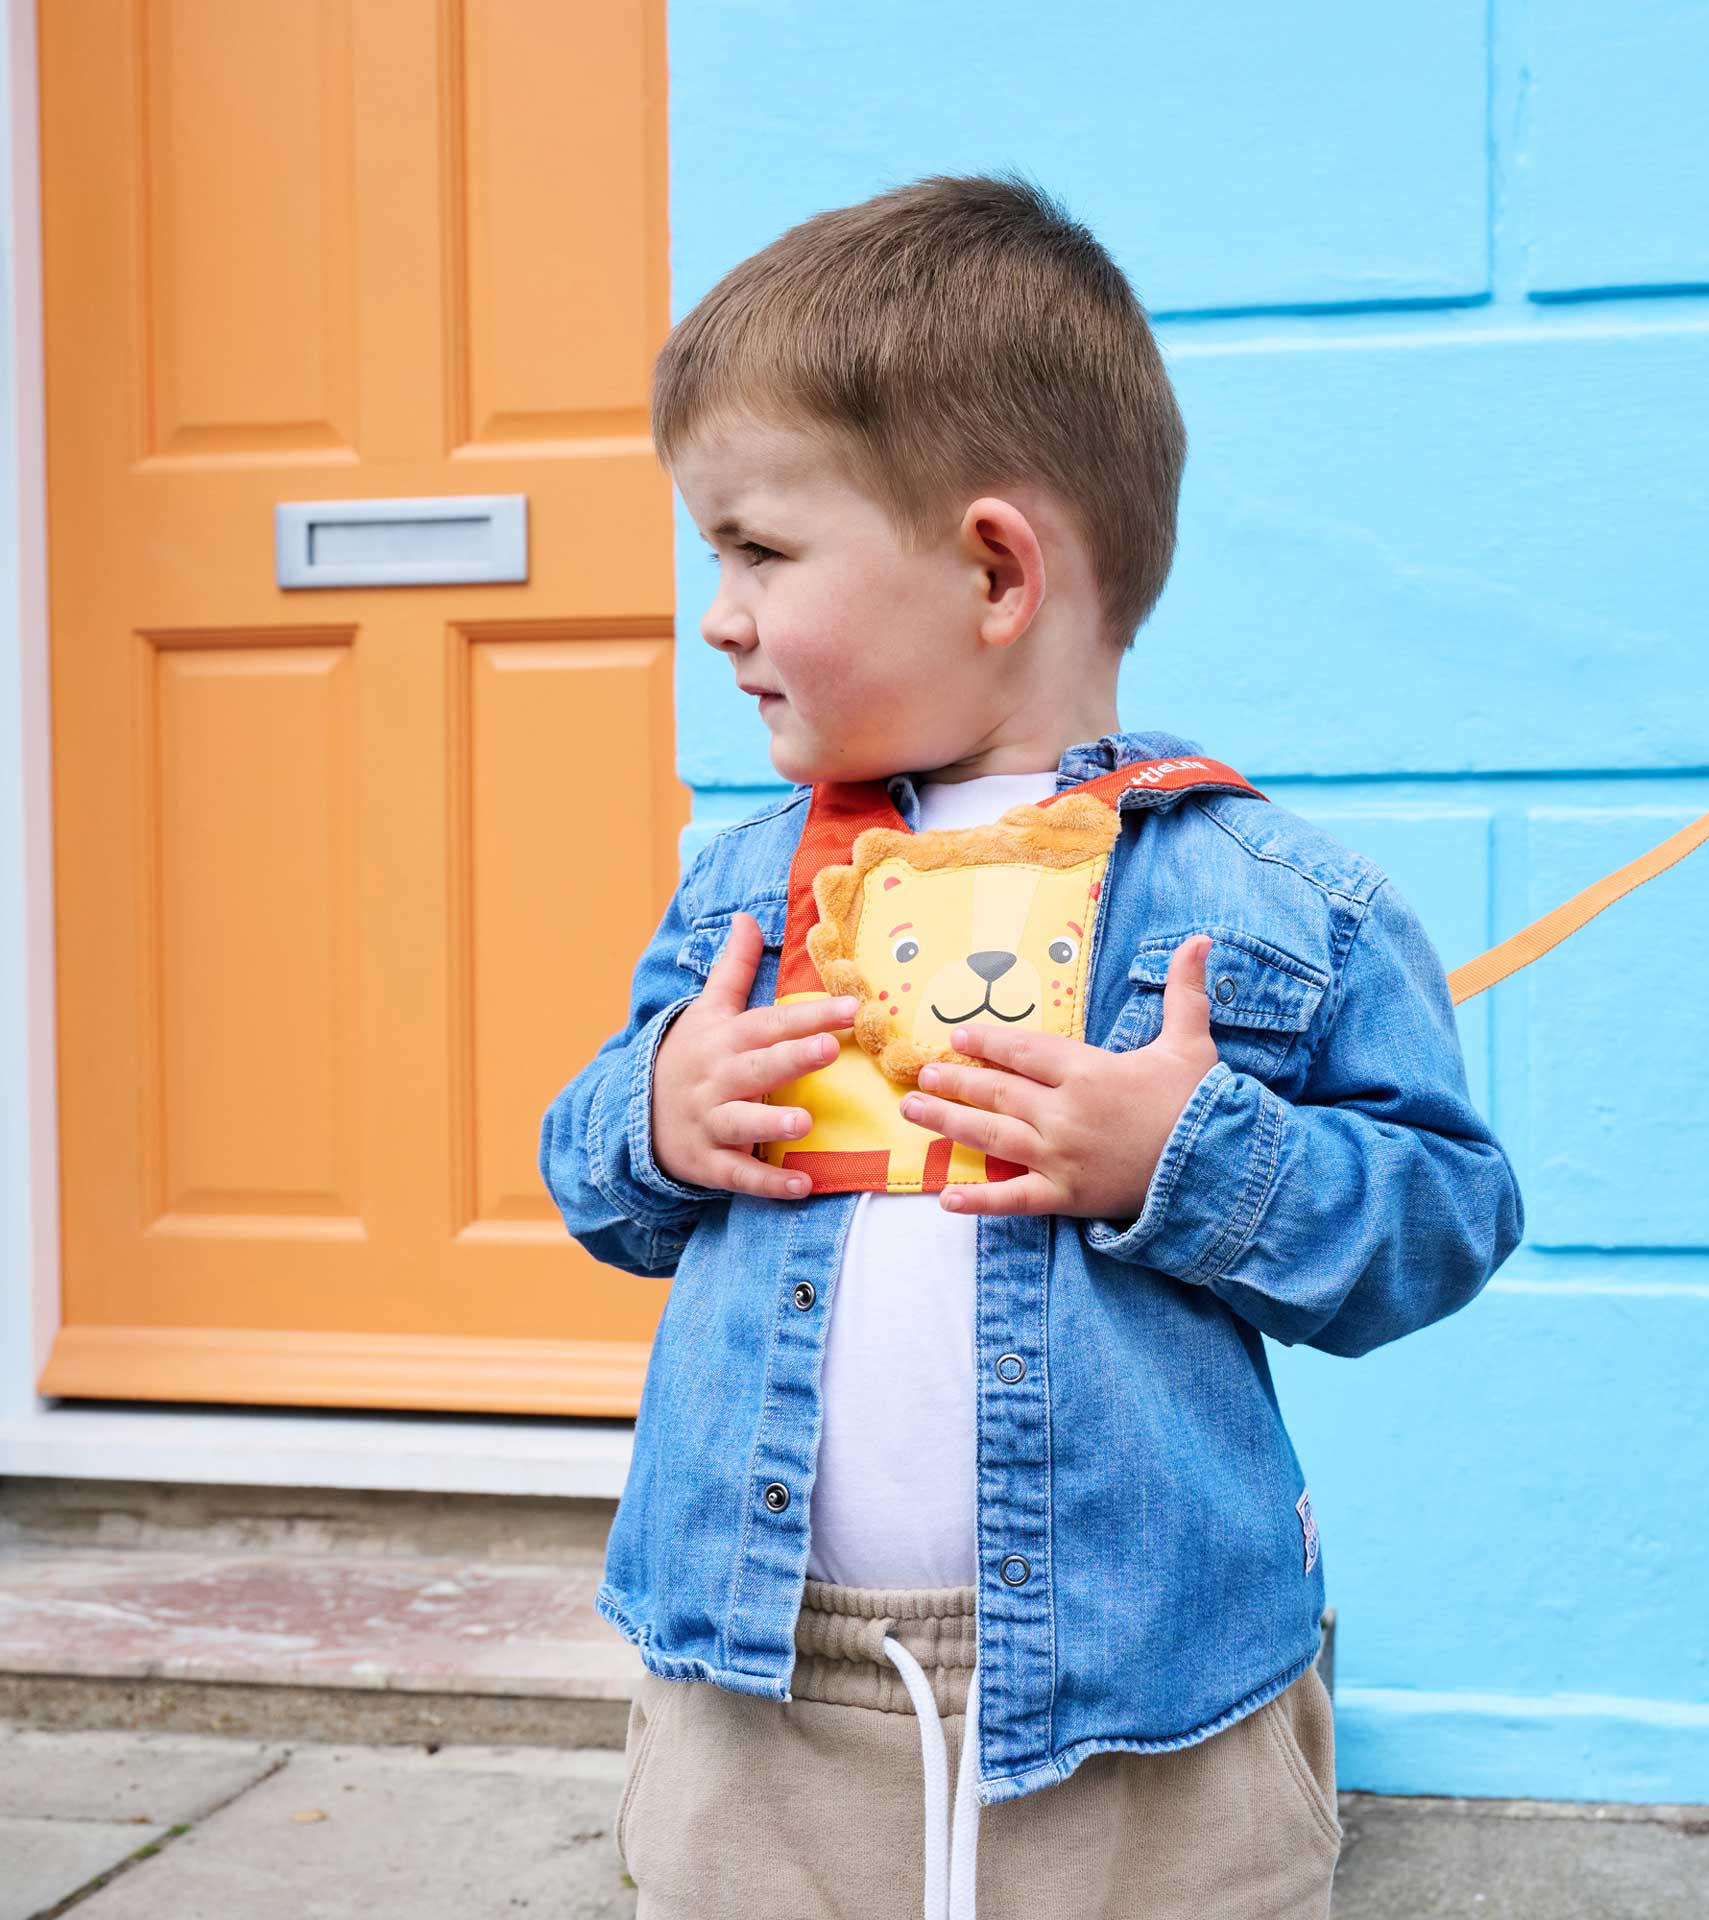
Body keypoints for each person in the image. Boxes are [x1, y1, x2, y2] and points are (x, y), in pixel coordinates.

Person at [539, 168, 1525, 1920]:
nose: (719, 613)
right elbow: (597, 1182)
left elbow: (1441, 1219)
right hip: (760, 1689)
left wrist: (1192, 1160)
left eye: (758, 548)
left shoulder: (1274, 898)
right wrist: (658, 1117)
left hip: (1151, 1715)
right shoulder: (740, 888)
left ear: (995, 568)